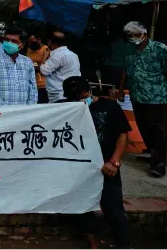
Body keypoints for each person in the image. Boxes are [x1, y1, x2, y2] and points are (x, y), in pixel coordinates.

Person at [59, 77, 131, 249]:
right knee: (81, 209)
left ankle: (124, 244)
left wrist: (114, 161)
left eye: (82, 96)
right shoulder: (63, 108)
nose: (80, 101)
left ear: (90, 91)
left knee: (113, 208)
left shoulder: (110, 107)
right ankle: (93, 243)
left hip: (107, 168)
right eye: (75, 98)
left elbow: (123, 135)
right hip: (78, 169)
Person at [118, 21, 167, 177]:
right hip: (137, 96)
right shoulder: (129, 51)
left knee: (158, 129)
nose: (132, 38)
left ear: (144, 34)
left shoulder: (160, 49)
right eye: (129, 36)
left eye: (134, 35)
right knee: (143, 127)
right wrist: (121, 88)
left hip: (157, 96)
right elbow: (125, 70)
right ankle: (155, 153)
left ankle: (158, 163)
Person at [0, 27, 38, 106]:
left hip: (23, 113)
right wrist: (7, 113)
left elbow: (33, 88)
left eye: (14, 41)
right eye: (7, 40)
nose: (9, 43)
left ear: (21, 45)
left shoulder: (27, 62)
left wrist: (29, 109)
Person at [39, 31, 81, 103]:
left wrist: (45, 56)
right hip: (73, 93)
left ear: (49, 42)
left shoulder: (57, 56)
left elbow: (43, 71)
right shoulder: (74, 55)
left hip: (59, 96)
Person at [25, 34, 51, 103]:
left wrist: (33, 68)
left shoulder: (46, 50)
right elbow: (27, 66)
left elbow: (44, 68)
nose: (30, 45)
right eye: (28, 43)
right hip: (31, 84)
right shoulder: (29, 50)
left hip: (43, 85)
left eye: (31, 42)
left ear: (38, 40)